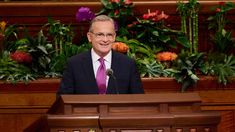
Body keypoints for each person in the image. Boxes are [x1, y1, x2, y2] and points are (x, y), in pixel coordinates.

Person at [57, 15, 144, 95]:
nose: (105, 40)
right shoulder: (74, 64)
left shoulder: (128, 64)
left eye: (109, 35)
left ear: (114, 37)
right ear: (89, 37)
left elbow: (138, 100)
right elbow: (63, 99)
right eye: (100, 35)